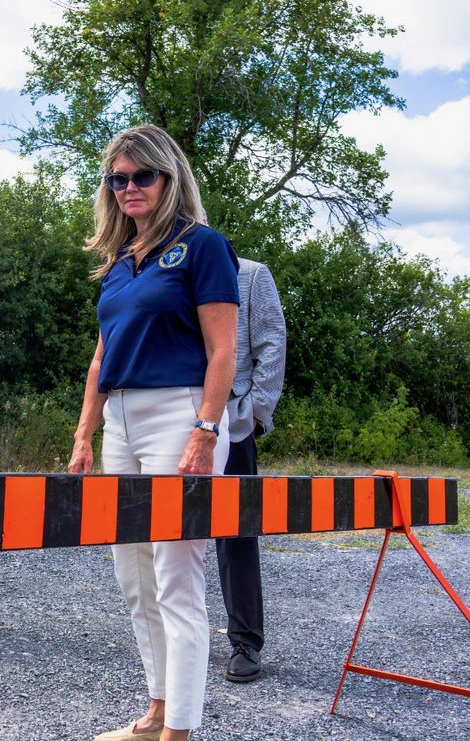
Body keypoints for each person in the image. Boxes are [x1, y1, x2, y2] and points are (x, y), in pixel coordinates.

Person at [67, 125, 239, 741]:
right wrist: (84, 435)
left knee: (175, 577)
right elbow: (100, 358)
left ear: (170, 177)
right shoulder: (118, 262)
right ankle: (157, 712)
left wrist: (205, 429)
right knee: (135, 578)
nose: (129, 187)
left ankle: (180, 731)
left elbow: (224, 351)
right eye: (118, 178)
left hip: (180, 411)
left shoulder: (201, 246)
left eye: (143, 175)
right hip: (121, 420)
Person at [215, 256, 285, 682]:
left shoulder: (249, 273)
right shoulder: (159, 270)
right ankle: (173, 640)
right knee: (165, 534)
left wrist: (256, 412)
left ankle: (245, 641)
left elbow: (272, 341)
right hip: (173, 420)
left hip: (231, 419)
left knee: (236, 533)